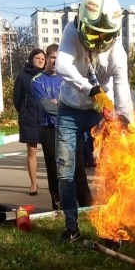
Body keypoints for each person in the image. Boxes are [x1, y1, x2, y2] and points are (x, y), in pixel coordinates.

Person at [54, 0, 134, 243]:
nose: (98, 41)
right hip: (69, 108)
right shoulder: (71, 31)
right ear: (81, 23)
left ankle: (112, 228)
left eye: (104, 35)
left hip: (101, 112)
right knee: (65, 169)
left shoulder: (117, 54)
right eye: (93, 33)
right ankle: (71, 227)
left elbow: (123, 95)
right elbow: (62, 66)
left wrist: (129, 126)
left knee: (113, 167)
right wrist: (90, 89)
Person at [32, 44, 93, 211]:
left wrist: (60, 103)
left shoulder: (68, 77)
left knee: (78, 169)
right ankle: (59, 208)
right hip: (49, 129)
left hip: (72, 128)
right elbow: (47, 107)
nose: (55, 61)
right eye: (52, 57)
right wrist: (65, 105)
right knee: (55, 170)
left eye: (58, 58)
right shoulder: (37, 80)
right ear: (46, 59)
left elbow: (79, 103)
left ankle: (87, 206)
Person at [13, 48, 45, 195]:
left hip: (46, 119)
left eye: (42, 59)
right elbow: (17, 99)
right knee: (32, 151)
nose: (40, 60)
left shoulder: (47, 76)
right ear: (31, 60)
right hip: (29, 119)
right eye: (37, 58)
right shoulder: (22, 77)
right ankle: (33, 184)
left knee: (52, 152)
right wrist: (26, 112)